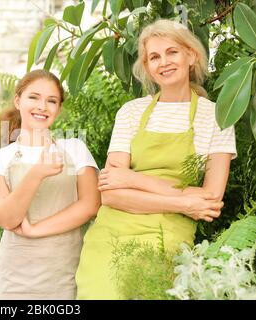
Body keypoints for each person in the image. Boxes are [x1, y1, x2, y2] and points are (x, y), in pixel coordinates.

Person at [75, 19, 237, 299]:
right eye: (154, 56)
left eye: (172, 52)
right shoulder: (130, 112)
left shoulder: (217, 117)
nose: (163, 62)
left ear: (191, 55)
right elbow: (112, 195)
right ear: (147, 67)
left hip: (168, 233)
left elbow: (210, 198)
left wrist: (132, 178)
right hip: (113, 231)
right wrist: (183, 202)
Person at [0, 69, 101, 299]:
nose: (42, 106)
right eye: (33, 97)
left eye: (51, 101)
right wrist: (36, 174)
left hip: (67, 271)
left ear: (59, 108)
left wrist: (35, 230)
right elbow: (6, 218)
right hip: (16, 277)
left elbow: (90, 205)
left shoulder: (74, 148)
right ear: (18, 100)